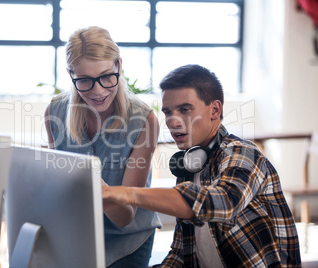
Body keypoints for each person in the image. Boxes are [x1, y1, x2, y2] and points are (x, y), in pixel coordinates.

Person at [103, 64, 302, 267]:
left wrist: (128, 194)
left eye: (184, 110)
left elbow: (223, 202)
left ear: (215, 109)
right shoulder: (190, 169)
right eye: (168, 112)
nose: (173, 121)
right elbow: (181, 254)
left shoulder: (243, 154)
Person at [44, 26, 162, 268]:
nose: (98, 91)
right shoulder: (54, 113)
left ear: (119, 65)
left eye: (107, 75)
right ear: (71, 75)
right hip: (77, 233)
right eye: (85, 80)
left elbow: (125, 217)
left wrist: (93, 184)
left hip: (127, 241)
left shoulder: (143, 121)